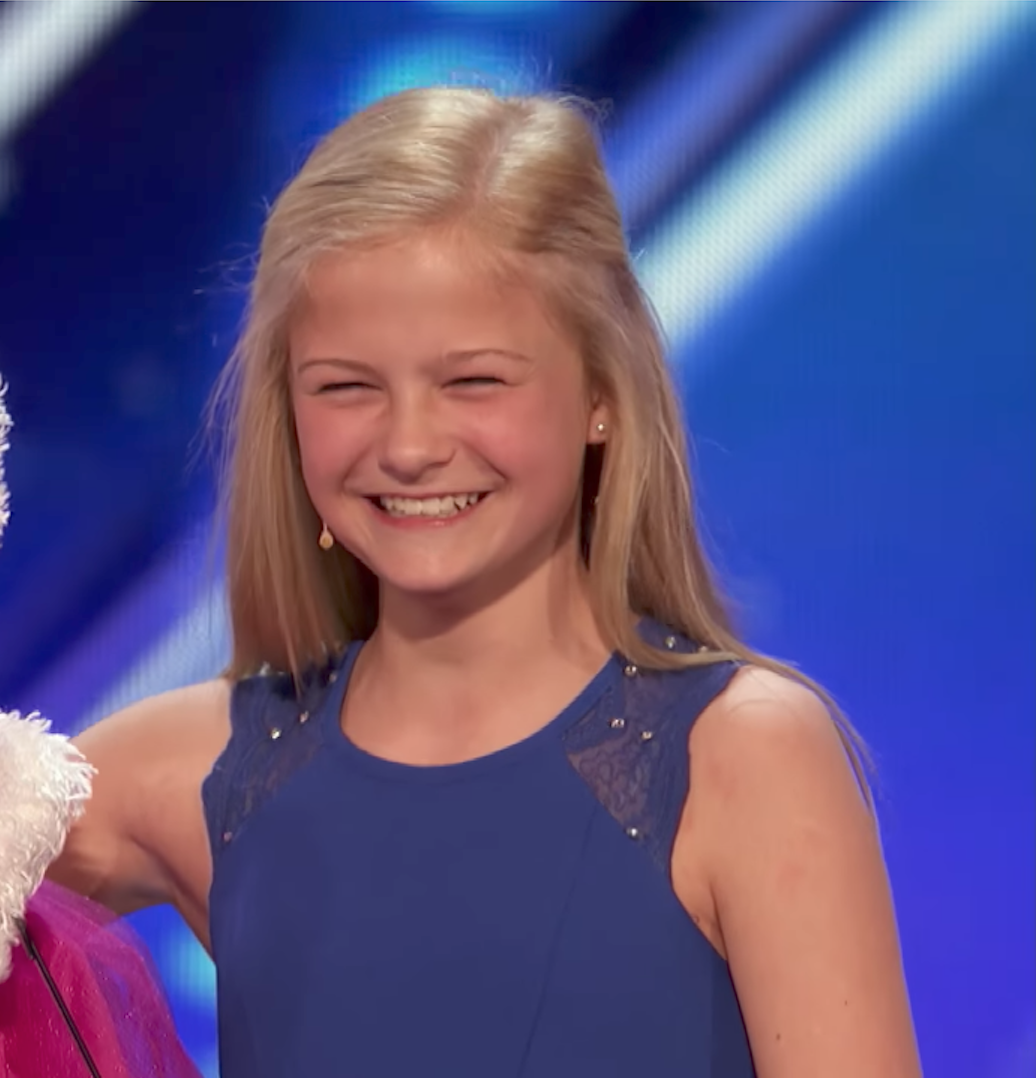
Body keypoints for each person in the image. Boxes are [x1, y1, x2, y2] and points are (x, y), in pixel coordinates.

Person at [49, 86, 921, 1077]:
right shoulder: (185, 771)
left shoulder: (743, 756)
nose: (409, 445)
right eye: (346, 386)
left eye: (473, 381)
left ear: (601, 392)